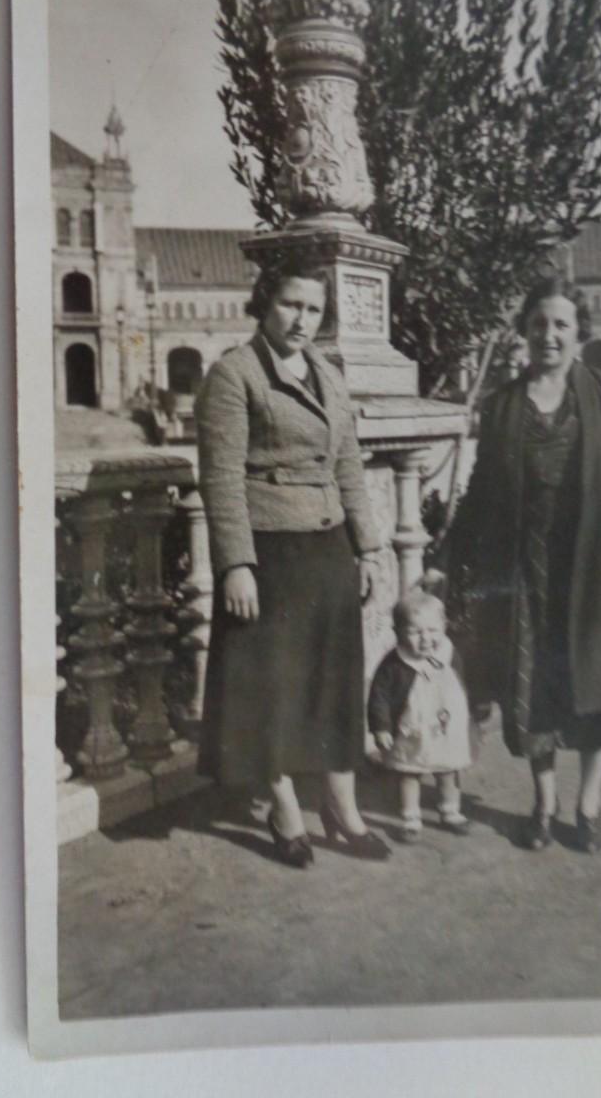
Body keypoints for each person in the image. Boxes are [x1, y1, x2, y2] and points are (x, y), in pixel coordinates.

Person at [448, 273, 601, 853]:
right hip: (526, 570)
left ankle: (588, 807)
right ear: (524, 331)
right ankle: (543, 803)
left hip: (597, 567)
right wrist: (449, 560)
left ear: (579, 332)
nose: (550, 334)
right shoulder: (501, 406)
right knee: (533, 689)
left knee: (600, 690)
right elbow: (480, 491)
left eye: (561, 324)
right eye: (539, 323)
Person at [195, 262, 391, 867]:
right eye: (290, 305)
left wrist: (370, 547)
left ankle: (340, 807)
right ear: (263, 303)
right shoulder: (233, 375)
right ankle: (283, 807)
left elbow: (349, 468)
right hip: (269, 553)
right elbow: (221, 479)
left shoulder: (328, 374)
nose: (302, 319)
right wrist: (235, 565)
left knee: (334, 682)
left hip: (328, 547)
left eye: (313, 308)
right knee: (270, 689)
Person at [368, 591, 474, 842]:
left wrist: (472, 713)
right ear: (399, 632)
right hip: (411, 729)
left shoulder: (449, 654)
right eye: (416, 633)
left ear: (444, 627)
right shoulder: (394, 664)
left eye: (432, 631)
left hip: (444, 728)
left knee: (448, 769)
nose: (426, 639)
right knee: (410, 772)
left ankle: (450, 811)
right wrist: (381, 728)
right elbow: (379, 697)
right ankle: (410, 818)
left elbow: (461, 684)